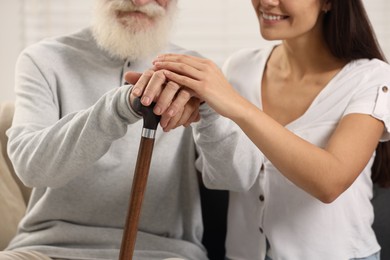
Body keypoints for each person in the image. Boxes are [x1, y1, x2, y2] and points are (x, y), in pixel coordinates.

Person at [129, 0, 390, 259]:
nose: (267, 2)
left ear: (328, 3)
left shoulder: (371, 78)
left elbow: (330, 183)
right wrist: (199, 111)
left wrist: (235, 105)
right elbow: (224, 174)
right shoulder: (240, 68)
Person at [2, 0, 254, 259]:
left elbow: (238, 178)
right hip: (45, 248)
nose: (140, 1)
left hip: (163, 253)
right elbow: (31, 169)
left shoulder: (197, 72)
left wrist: (211, 110)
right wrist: (119, 107)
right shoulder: (44, 59)